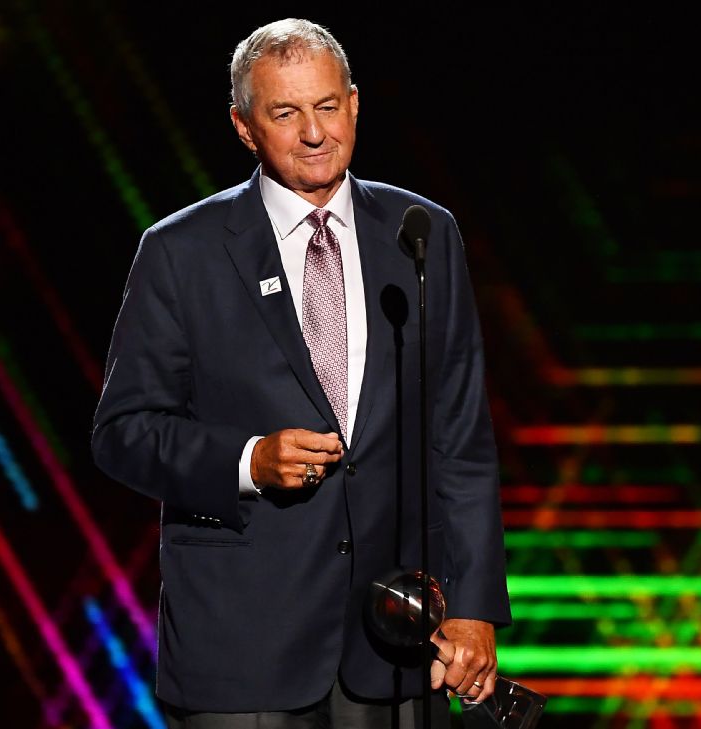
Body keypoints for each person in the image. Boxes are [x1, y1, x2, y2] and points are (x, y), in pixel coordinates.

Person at [91, 18, 509, 728]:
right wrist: (248, 461)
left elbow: (461, 440)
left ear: (354, 104)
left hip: (396, 641)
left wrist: (473, 606)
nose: (314, 133)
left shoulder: (422, 234)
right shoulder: (180, 252)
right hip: (243, 644)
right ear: (244, 127)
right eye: (285, 113)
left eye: (327, 106)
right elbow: (122, 433)